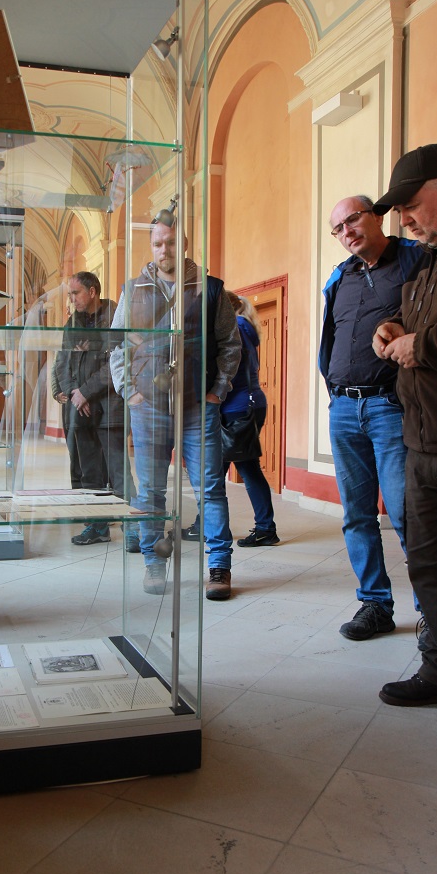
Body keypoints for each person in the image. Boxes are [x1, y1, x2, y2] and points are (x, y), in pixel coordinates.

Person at [372, 143, 437, 707]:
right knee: (434, 567)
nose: (404, 219)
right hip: (422, 442)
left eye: (411, 205)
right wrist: (391, 327)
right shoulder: (429, 257)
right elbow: (419, 319)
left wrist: (422, 345)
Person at [110, 208, 240, 600]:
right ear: (150, 246)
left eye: (169, 242)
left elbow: (230, 344)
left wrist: (217, 391)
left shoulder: (210, 289)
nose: (163, 249)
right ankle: (153, 561)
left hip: (198, 405)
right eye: (157, 243)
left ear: (182, 244)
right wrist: (129, 391)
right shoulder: (134, 290)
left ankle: (219, 566)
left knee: (210, 489)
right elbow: (117, 344)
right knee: (150, 491)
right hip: (148, 406)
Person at [320, 194, 422, 640]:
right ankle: (375, 605)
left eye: (353, 220)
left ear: (377, 216)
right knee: (357, 516)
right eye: (338, 229)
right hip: (344, 408)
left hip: (389, 407)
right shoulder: (340, 277)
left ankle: (431, 611)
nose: (347, 232)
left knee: (406, 512)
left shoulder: (413, 260)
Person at [182, 293, 279, 547]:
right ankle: (208, 524)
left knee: (243, 468)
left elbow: (229, 367)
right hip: (242, 405)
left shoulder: (237, 327)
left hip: (237, 408)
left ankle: (264, 528)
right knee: (221, 469)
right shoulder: (243, 326)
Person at [53, 271, 138, 550]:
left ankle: (133, 528)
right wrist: (74, 393)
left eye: (75, 293)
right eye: (70, 293)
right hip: (81, 408)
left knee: (119, 472)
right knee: (89, 473)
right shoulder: (72, 324)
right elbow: (62, 362)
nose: (72, 299)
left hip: (110, 407)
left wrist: (85, 392)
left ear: (92, 292)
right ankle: (97, 525)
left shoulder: (116, 317)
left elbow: (116, 363)